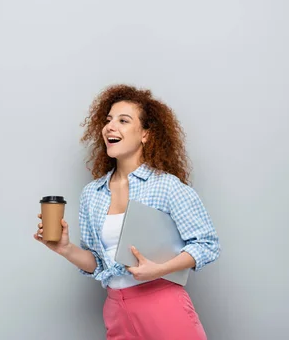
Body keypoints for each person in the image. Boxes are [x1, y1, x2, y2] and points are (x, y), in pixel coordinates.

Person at [34, 84, 220, 340]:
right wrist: (65, 248)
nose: (111, 126)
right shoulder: (93, 193)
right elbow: (98, 263)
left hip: (163, 304)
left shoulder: (166, 186)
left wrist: (159, 269)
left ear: (145, 134)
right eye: (109, 120)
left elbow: (207, 244)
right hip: (116, 308)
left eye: (123, 120)